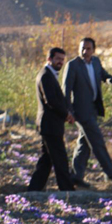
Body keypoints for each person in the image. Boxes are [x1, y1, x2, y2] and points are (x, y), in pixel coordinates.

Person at [63, 37, 112, 187]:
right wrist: (68, 111)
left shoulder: (96, 62)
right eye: (82, 48)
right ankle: (111, 174)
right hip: (80, 111)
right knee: (97, 142)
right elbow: (66, 90)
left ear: (93, 50)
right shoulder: (72, 65)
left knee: (84, 144)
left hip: (93, 109)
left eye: (88, 48)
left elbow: (105, 77)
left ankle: (76, 176)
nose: (85, 51)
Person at [28, 48, 76, 192]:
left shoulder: (49, 75)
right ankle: (67, 190)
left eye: (62, 59)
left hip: (51, 125)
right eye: (57, 59)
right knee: (60, 159)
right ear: (49, 59)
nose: (60, 62)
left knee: (46, 161)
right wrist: (66, 114)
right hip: (50, 125)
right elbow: (51, 101)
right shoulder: (45, 76)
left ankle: (33, 190)